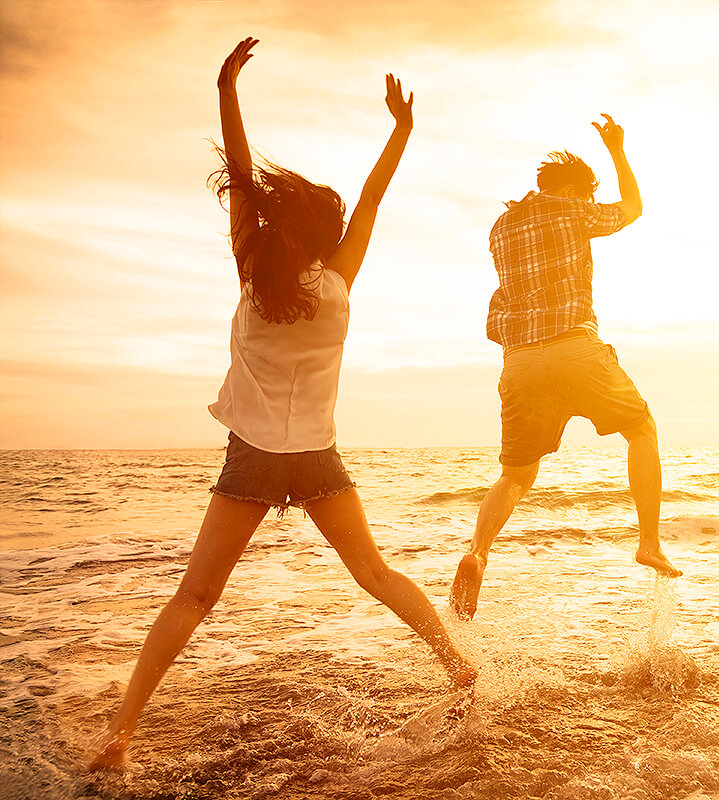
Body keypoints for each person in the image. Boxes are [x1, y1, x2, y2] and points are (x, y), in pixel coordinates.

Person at [89, 38, 475, 770]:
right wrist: (402, 130)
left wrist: (226, 91)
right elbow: (372, 199)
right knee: (376, 574)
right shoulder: (336, 284)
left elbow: (239, 178)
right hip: (318, 455)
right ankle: (456, 664)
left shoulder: (252, 275)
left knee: (196, 596)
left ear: (275, 226)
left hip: (254, 457)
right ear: (326, 238)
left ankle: (122, 732)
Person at [449, 115, 681, 621]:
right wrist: (618, 149)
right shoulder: (573, 211)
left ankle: (478, 552)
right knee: (642, 429)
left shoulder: (502, 226)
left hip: (520, 361)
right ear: (577, 191)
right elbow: (633, 209)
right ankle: (649, 543)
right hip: (575, 346)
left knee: (515, 475)